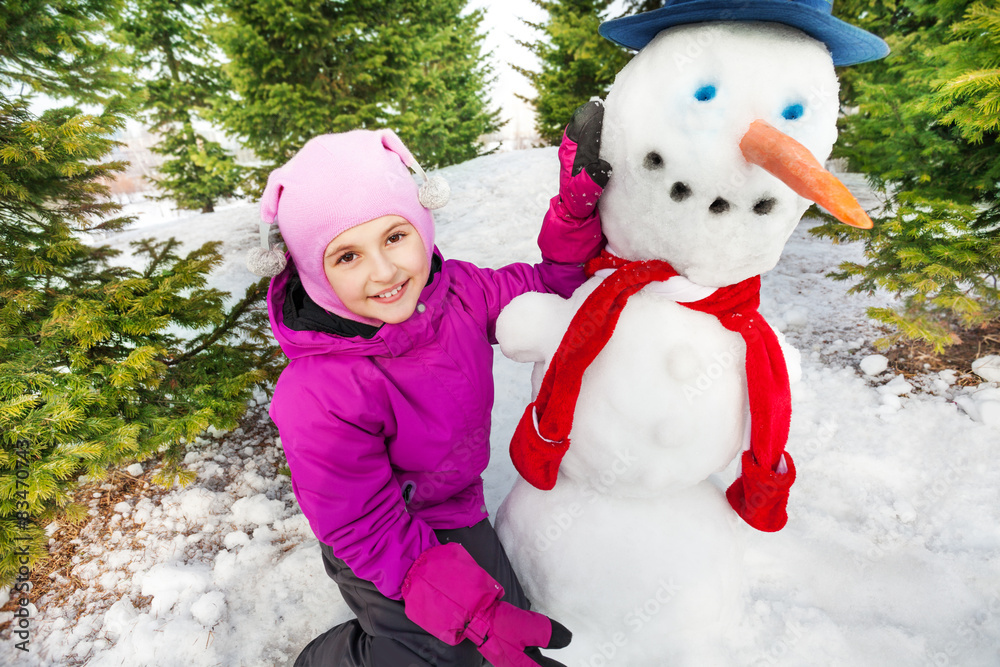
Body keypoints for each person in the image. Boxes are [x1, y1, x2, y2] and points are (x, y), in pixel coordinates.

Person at [249, 103, 610, 667]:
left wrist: (572, 212)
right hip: (375, 536)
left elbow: (548, 291)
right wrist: (455, 602)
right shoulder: (317, 392)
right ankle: (335, 657)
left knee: (505, 633)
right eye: (347, 256)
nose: (385, 272)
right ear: (315, 274)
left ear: (421, 224)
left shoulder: (458, 293)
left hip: (454, 508)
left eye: (395, 237)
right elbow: (360, 522)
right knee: (441, 650)